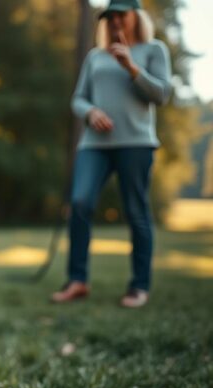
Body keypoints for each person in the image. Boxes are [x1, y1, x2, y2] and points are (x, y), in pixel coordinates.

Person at [51, 0, 172, 308]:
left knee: (136, 211)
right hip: (94, 144)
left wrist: (132, 67)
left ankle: (138, 286)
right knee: (80, 202)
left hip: (136, 142)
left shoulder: (153, 50)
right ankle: (77, 280)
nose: (116, 21)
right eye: (110, 17)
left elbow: (161, 95)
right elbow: (77, 99)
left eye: (122, 15)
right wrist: (90, 112)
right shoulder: (95, 56)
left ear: (136, 17)